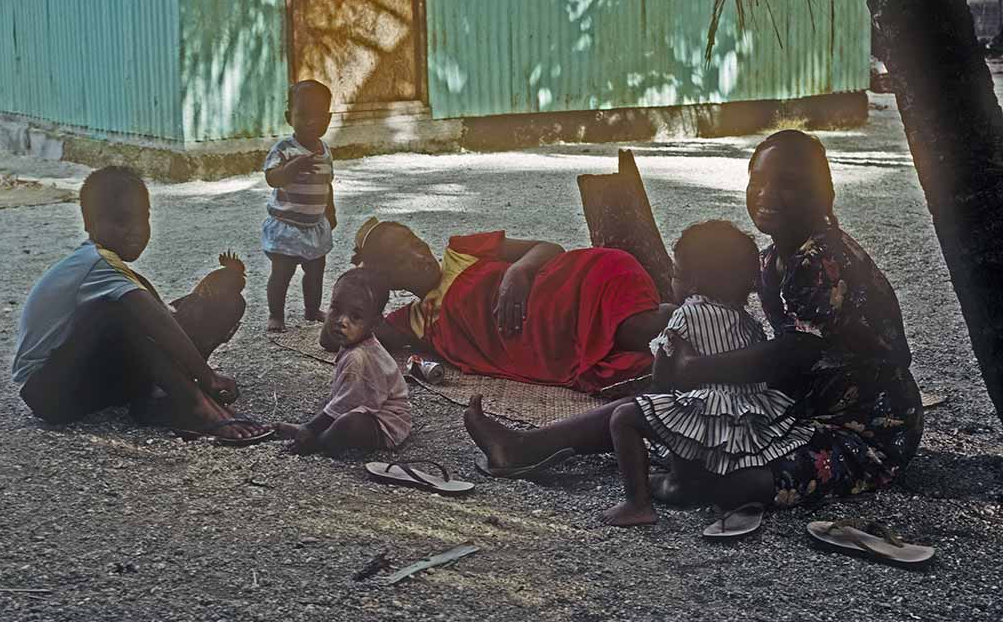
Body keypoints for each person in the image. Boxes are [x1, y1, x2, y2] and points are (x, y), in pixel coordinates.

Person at [466, 130, 923, 510]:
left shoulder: (821, 260)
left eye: (787, 184)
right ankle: (524, 446)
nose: (766, 195)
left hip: (865, 428)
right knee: (671, 409)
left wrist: (696, 370)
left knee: (739, 474)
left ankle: (684, 483)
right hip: (802, 405)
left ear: (819, 193)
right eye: (757, 180)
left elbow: (795, 354)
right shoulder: (772, 260)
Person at [12, 165, 272, 444]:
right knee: (119, 312)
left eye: (143, 219)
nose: (136, 231)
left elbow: (163, 317)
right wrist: (207, 376)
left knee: (219, 303)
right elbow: (156, 320)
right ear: (89, 224)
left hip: (91, 384)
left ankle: (158, 398)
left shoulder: (114, 270)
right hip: (49, 392)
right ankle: (195, 404)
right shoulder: (97, 263)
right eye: (121, 221)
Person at [600, 220, 814, 526]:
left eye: (675, 274)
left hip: (704, 414)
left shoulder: (685, 314)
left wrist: (657, 399)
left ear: (692, 283)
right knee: (689, 417)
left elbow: (662, 376)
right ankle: (683, 484)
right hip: (746, 423)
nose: (672, 282)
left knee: (624, 417)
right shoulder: (750, 324)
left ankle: (638, 503)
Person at [344, 217, 676, 393]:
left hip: (575, 287)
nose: (419, 257)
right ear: (390, 280)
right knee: (644, 360)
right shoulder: (415, 321)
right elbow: (343, 333)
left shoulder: (461, 250)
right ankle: (698, 334)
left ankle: (698, 315)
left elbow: (549, 248)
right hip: (558, 341)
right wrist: (367, 282)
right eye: (401, 260)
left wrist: (517, 272)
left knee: (638, 328)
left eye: (416, 244)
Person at [275, 268, 411, 455]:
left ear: (374, 324)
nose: (341, 321)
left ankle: (317, 442)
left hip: (385, 424)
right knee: (330, 404)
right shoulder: (356, 341)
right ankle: (310, 431)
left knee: (348, 424)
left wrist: (311, 428)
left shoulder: (359, 357)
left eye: (355, 316)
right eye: (336, 309)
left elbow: (348, 403)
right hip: (364, 406)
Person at [263, 79, 338, 333]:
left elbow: (327, 184)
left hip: (314, 225)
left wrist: (330, 212)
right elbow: (272, 178)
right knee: (281, 273)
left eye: (319, 116)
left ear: (328, 119)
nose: (311, 122)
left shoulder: (325, 150)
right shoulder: (284, 149)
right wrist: (291, 168)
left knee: (316, 271)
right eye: (303, 115)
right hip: (287, 226)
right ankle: (276, 314)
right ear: (289, 117)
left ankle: (312, 309)